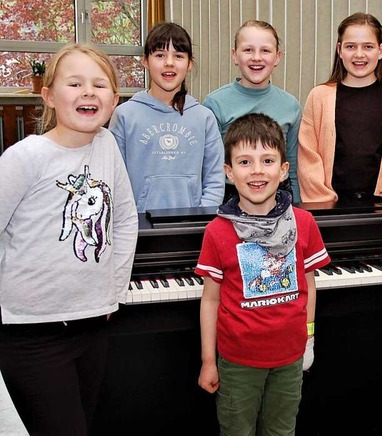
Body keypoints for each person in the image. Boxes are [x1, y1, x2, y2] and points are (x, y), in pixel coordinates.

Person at [0, 43, 138, 435]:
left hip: (92, 324)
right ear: (48, 95)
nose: (88, 92)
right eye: (74, 83)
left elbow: (124, 219)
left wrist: (113, 290)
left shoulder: (107, 145)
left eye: (99, 84)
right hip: (32, 333)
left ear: (114, 99)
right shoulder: (24, 158)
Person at [196, 113, 331, 435]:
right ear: (229, 172)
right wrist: (208, 360)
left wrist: (308, 338)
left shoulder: (304, 223)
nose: (257, 171)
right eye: (244, 162)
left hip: (290, 358)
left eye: (267, 160)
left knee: (281, 431)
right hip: (238, 362)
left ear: (284, 170)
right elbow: (210, 301)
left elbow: (308, 287)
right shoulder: (217, 231)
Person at [297, 12, 382, 203]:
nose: (359, 54)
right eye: (351, 47)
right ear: (340, 50)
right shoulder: (319, 97)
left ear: (381, 50)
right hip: (330, 209)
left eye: (368, 46)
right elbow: (308, 158)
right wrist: (323, 202)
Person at [110, 21, 225, 212]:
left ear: (189, 64)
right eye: (160, 55)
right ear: (145, 61)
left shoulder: (204, 117)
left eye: (178, 56)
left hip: (193, 226)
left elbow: (214, 177)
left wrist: (202, 216)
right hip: (138, 226)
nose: (169, 62)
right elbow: (114, 177)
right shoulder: (125, 115)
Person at [203, 20, 302, 203]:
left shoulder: (291, 105)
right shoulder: (215, 103)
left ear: (277, 57)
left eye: (265, 50)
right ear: (234, 55)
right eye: (248, 50)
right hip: (230, 196)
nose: (256, 57)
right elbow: (210, 169)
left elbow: (293, 167)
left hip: (278, 195)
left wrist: (296, 206)